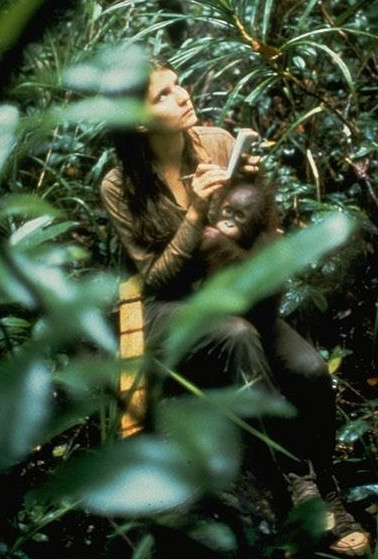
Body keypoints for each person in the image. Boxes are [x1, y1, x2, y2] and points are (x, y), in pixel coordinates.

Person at [100, 57, 369, 556]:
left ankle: (327, 484)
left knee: (309, 370)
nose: (182, 96)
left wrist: (250, 188)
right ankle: (298, 485)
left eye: (178, 85)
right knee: (236, 337)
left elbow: (260, 232)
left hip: (230, 291)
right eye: (162, 95)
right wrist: (197, 212)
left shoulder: (217, 142)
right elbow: (154, 279)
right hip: (169, 310)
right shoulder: (120, 185)